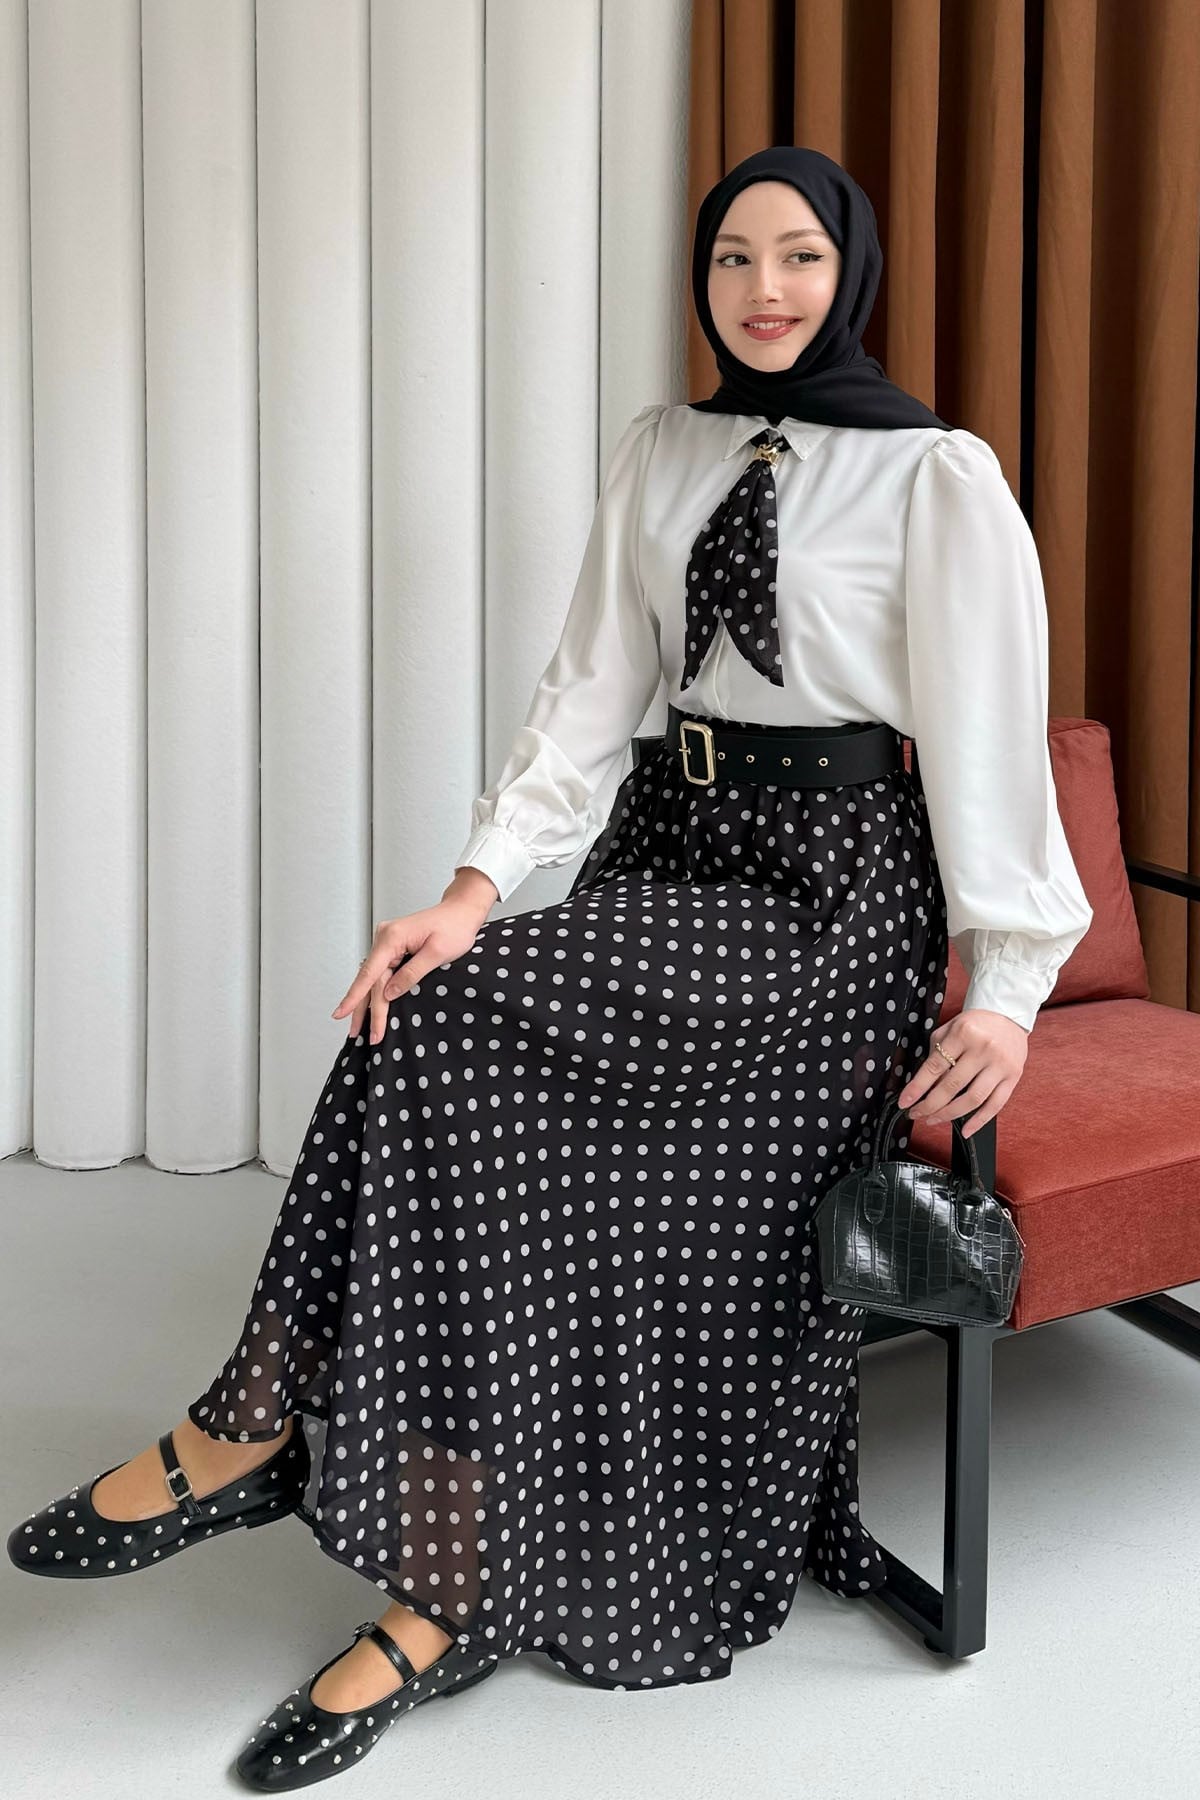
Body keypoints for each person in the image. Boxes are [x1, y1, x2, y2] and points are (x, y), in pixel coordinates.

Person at [7, 144, 1093, 1791]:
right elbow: (588, 692)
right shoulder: (666, 448)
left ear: (851, 273)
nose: (765, 290)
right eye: (733, 259)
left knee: (451, 1031)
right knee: (426, 1017)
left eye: (799, 257)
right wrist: (470, 889)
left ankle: (256, 1428)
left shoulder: (932, 476)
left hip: (831, 910)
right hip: (672, 849)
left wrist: (1005, 993)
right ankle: (432, 1571)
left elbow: (991, 743)